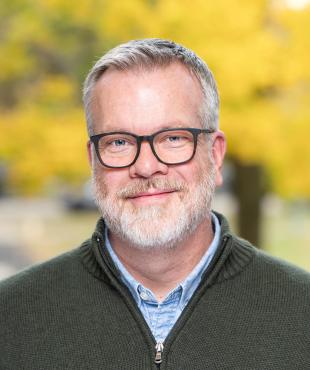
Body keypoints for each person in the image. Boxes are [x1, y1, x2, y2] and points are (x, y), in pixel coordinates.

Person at [0, 39, 309, 370]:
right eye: (118, 142)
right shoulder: (11, 316)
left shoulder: (301, 313)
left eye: (173, 138)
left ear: (215, 155)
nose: (146, 167)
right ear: (93, 161)